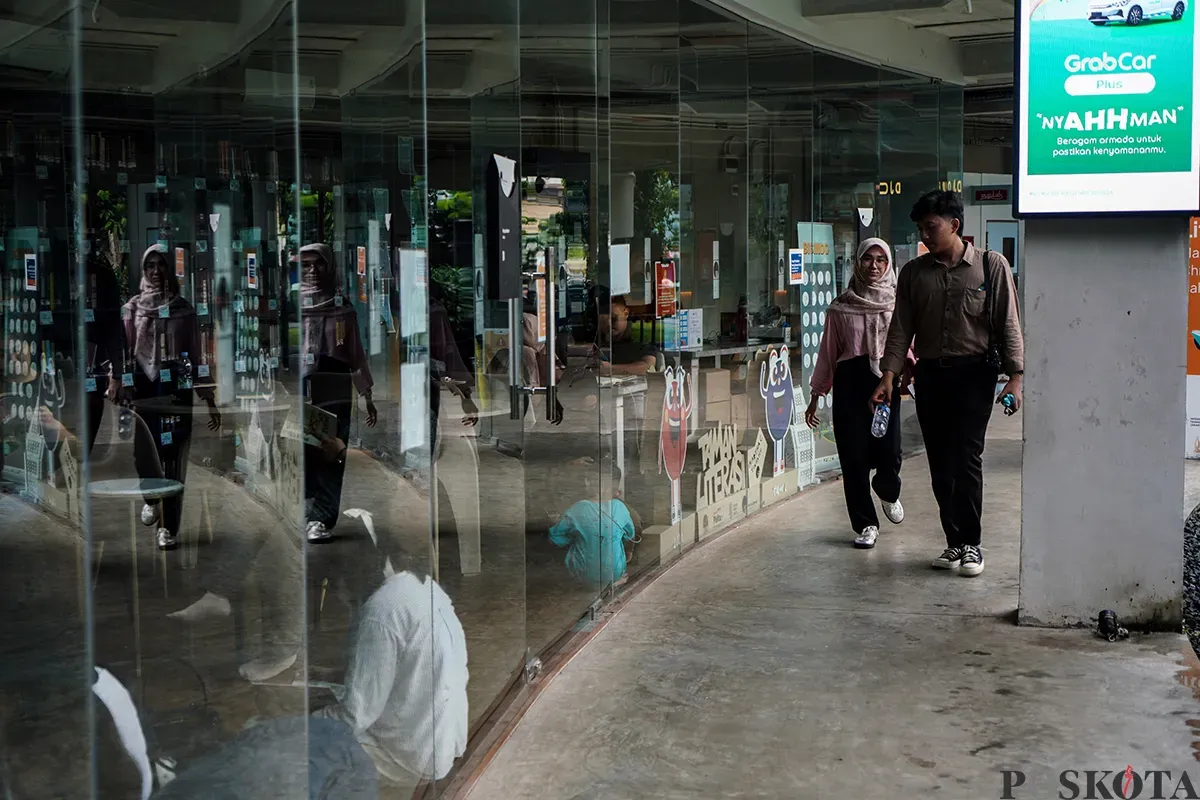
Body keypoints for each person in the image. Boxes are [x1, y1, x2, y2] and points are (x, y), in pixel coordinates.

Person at [872, 190, 1024, 577]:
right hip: (931, 376)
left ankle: (972, 544)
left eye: (931, 226)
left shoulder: (991, 266)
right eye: (921, 228)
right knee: (940, 462)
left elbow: (1009, 324)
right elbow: (900, 329)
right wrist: (889, 375)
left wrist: (1016, 378)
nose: (925, 234)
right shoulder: (913, 274)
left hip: (975, 375)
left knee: (966, 458)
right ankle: (954, 542)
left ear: (955, 225)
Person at [315, 537, 469, 793]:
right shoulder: (421, 585)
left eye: (336, 588)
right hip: (445, 740)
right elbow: (409, 667)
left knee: (301, 749)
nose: (340, 598)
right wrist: (336, 675)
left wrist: (303, 720)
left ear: (349, 578)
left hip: (413, 757)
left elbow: (356, 716)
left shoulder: (380, 611)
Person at [805, 238, 908, 550]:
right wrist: (816, 394)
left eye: (880, 260)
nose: (873, 266)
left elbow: (907, 345)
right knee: (853, 458)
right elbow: (828, 352)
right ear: (857, 262)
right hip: (850, 381)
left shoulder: (897, 304)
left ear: (889, 264)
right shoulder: (841, 307)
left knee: (889, 451)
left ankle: (887, 490)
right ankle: (865, 523)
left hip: (886, 379)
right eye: (867, 259)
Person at [123, 245, 221, 551]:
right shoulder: (132, 309)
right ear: (143, 269)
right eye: (150, 265)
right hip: (144, 386)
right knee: (144, 453)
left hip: (176, 387)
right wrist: (123, 387)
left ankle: (169, 528)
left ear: (170, 270)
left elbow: (197, 355)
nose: (155, 270)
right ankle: (152, 497)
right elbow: (124, 354)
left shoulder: (184, 310)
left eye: (161, 265)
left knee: (174, 457)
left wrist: (209, 398)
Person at [299, 243, 377, 543]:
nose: (312, 270)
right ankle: (309, 508)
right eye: (306, 265)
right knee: (306, 451)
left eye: (318, 264)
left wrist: (367, 395)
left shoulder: (342, 307)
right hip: (303, 388)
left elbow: (356, 355)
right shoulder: (294, 306)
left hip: (335, 390)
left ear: (329, 267)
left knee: (332, 453)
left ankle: (322, 519)